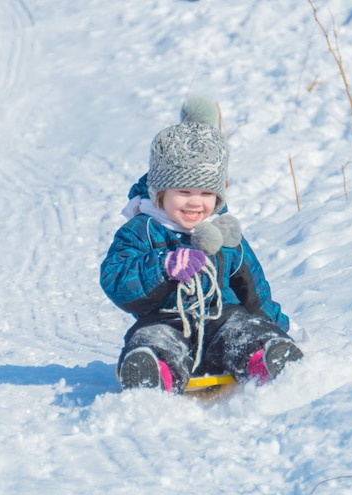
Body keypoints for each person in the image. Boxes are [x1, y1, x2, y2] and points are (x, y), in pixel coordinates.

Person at [100, 97, 303, 393]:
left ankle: (266, 356)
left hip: (222, 320)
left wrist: (274, 325)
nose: (195, 201)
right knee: (152, 338)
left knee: (244, 330)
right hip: (166, 320)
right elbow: (116, 280)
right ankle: (153, 370)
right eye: (183, 191)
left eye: (207, 193)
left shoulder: (224, 233)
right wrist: (163, 267)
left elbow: (253, 287)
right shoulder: (140, 231)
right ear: (160, 192)